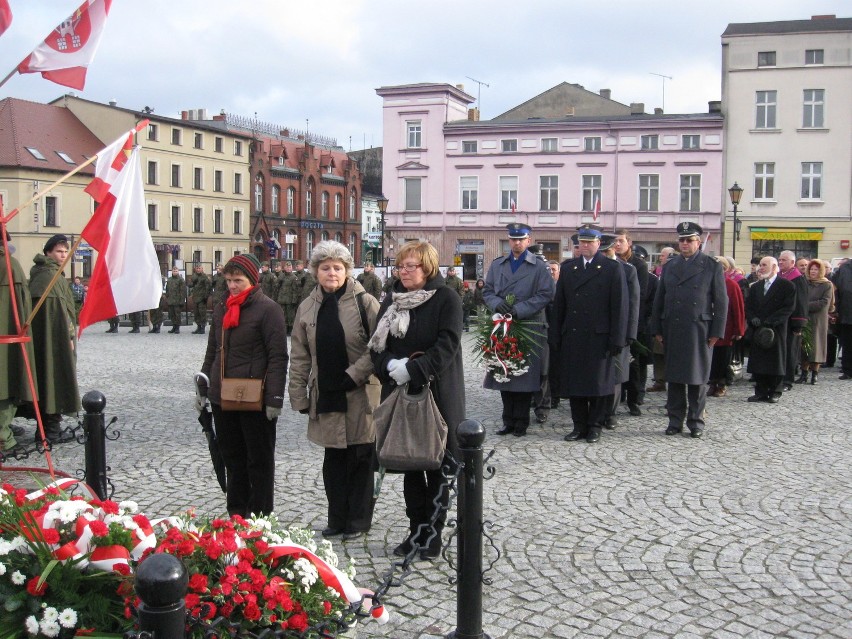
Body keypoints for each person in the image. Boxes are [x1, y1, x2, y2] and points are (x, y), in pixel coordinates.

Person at [369, 241, 464, 560]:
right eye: (401, 266)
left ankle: (433, 534)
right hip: (399, 393)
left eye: (412, 266)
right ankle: (415, 530)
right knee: (409, 463)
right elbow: (376, 347)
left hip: (436, 393)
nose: (405, 272)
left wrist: (415, 369)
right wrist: (390, 367)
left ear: (428, 268)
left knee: (436, 464)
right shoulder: (392, 300)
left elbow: (447, 345)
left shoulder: (446, 298)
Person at [289, 241, 380, 541]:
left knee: (361, 457)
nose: (331, 273)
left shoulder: (365, 302)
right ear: (316, 271)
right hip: (326, 392)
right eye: (325, 267)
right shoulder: (307, 307)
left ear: (347, 271)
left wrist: (354, 374)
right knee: (334, 459)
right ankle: (337, 517)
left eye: (337, 268)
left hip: (360, 392)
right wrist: (298, 394)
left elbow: (379, 346)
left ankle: (358, 519)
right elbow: (300, 355)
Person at [199, 254, 288, 517]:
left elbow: (278, 356)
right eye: (228, 280)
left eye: (238, 280)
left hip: (255, 398)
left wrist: (274, 398)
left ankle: (260, 515)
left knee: (258, 460)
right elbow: (213, 351)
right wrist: (203, 386)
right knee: (232, 459)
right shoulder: (221, 308)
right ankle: (237, 513)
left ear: (252, 280)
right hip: (222, 395)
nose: (232, 286)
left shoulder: (269, 309)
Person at [649, 222, 727, 438]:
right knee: (674, 378)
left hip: (699, 328)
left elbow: (721, 302)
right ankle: (675, 420)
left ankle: (695, 421)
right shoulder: (670, 266)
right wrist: (657, 327)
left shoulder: (711, 265)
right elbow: (660, 299)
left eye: (689, 240)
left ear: (698, 242)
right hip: (673, 327)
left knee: (697, 378)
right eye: (681, 240)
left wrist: (716, 331)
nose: (684, 244)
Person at [554, 224, 628, 444]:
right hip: (574, 335)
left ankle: (595, 426)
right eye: (581, 243)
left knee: (597, 384)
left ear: (598, 243)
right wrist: (556, 334)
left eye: (589, 242)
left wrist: (618, 338)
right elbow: (560, 305)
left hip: (599, 336)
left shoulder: (611, 268)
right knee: (575, 384)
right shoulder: (569, 268)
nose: (584, 246)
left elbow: (620, 307)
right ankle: (579, 425)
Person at [483, 223, 554, 437]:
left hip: (527, 325)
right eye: (513, 239)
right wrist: (497, 304)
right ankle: (508, 420)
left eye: (521, 239)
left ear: (528, 240)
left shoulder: (539, 267)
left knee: (523, 376)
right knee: (504, 371)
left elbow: (546, 294)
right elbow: (487, 291)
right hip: (502, 325)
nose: (517, 243)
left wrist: (519, 309)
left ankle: (521, 421)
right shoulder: (498, 265)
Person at [28, 234, 81, 444]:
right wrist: (67, 336)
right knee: (54, 376)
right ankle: (50, 430)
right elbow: (60, 313)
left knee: (45, 376)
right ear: (48, 252)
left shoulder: (42, 273)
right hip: (53, 340)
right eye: (59, 251)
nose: (63, 255)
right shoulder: (50, 276)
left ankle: (45, 427)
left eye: (65, 251)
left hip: (45, 338)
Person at [1, 232, 37, 456]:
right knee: (6, 382)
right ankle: (3, 439)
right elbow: (21, 309)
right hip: (6, 340)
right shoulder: (9, 265)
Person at [744, 256, 795, 403]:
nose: (761, 268)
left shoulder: (787, 286)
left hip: (776, 329)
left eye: (764, 265)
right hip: (758, 329)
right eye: (760, 265)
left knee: (775, 361)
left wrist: (771, 321)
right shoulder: (756, 287)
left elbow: (788, 308)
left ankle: (775, 391)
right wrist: (752, 318)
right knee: (759, 361)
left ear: (774, 267)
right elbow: (749, 306)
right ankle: (760, 391)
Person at [613, 229, 649, 416]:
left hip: (634, 321)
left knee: (633, 363)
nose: (617, 244)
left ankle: (635, 399)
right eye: (615, 241)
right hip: (615, 321)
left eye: (620, 241)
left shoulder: (638, 265)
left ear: (629, 243)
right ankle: (617, 397)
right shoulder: (610, 262)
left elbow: (640, 295)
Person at [708, 256, 745, 397]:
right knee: (711, 359)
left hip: (726, 328)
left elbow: (738, 309)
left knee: (723, 358)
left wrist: (739, 329)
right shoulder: (707, 283)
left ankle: (722, 383)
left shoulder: (731, 284)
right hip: (709, 327)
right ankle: (712, 382)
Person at [797, 260, 834, 384]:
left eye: (816, 269)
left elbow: (824, 302)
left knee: (817, 346)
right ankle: (804, 373)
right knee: (803, 346)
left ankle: (815, 374)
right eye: (811, 269)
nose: (813, 271)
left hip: (818, 319)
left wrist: (805, 306)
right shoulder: (804, 282)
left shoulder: (827, 284)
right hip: (805, 318)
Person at [778, 250, 808, 390]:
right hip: (779, 321)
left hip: (792, 321)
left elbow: (801, 302)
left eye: (784, 260)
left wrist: (799, 323)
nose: (780, 262)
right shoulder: (779, 276)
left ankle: (787, 381)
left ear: (792, 262)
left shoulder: (798, 278)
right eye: (779, 259)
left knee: (790, 351)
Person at [647, 246, 676, 392]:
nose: (660, 258)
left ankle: (672, 382)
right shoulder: (659, 274)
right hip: (661, 320)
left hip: (672, 322)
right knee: (658, 353)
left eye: (663, 256)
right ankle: (659, 379)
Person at [832, 257, 852, 379]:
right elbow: (836, 291)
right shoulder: (844, 268)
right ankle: (848, 370)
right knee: (847, 343)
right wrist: (836, 310)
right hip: (846, 312)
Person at [188, 263, 212, 334]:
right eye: (197, 268)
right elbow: (189, 285)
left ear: (202, 269)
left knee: (202, 313)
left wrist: (206, 297)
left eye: (199, 268)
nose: (198, 270)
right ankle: (198, 327)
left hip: (202, 298)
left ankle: (203, 327)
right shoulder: (194, 276)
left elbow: (208, 288)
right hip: (195, 298)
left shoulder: (205, 277)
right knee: (196, 313)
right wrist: (192, 282)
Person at [277, 260, 299, 333]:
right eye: (287, 267)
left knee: (290, 316)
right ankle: (284, 329)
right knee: (283, 315)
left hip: (290, 300)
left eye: (290, 267)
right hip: (282, 299)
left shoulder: (294, 277)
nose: (289, 268)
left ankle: (290, 330)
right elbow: (277, 286)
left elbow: (295, 290)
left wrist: (294, 300)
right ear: (284, 268)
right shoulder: (282, 276)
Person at [165, 266, 187, 333]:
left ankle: (177, 327)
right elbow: (167, 289)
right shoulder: (169, 280)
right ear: (172, 271)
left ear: (178, 272)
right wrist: (167, 297)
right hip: (171, 300)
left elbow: (183, 291)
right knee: (172, 314)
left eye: (176, 271)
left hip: (177, 301)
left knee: (177, 314)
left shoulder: (181, 280)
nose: (175, 272)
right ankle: (174, 326)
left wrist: (182, 301)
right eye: (174, 271)